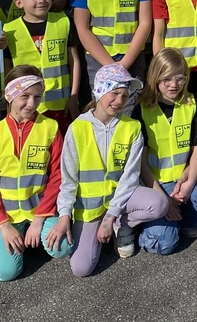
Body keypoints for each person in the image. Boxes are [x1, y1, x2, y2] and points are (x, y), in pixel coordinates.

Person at [46, 63, 169, 276]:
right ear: (100, 91)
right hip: (89, 207)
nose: (119, 101)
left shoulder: (132, 127)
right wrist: (65, 215)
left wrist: (110, 216)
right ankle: (100, 229)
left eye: (124, 95)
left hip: (121, 199)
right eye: (114, 93)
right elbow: (68, 179)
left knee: (158, 204)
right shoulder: (77, 127)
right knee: (81, 269)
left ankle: (121, 225)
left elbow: (131, 176)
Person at [0, 66, 72, 282]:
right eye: (25, 96)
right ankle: (21, 239)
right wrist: (3, 225)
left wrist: (39, 220)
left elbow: (57, 175)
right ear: (10, 95)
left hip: (41, 210)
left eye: (37, 97)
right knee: (5, 274)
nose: (32, 104)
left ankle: (34, 236)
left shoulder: (50, 127)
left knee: (63, 248)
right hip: (8, 216)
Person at [135, 48, 197, 254]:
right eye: (167, 79)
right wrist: (164, 201)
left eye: (180, 78)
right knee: (163, 244)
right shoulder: (141, 109)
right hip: (155, 185)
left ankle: (179, 217)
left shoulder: (192, 104)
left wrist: (187, 186)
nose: (174, 85)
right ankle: (158, 221)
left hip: (185, 180)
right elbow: (141, 164)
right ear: (155, 77)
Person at [4, 0, 82, 132]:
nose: (41, 0)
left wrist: (74, 98)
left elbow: (74, 61)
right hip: (26, 107)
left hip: (61, 106)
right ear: (19, 3)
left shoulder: (63, 22)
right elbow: (7, 71)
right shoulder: (9, 31)